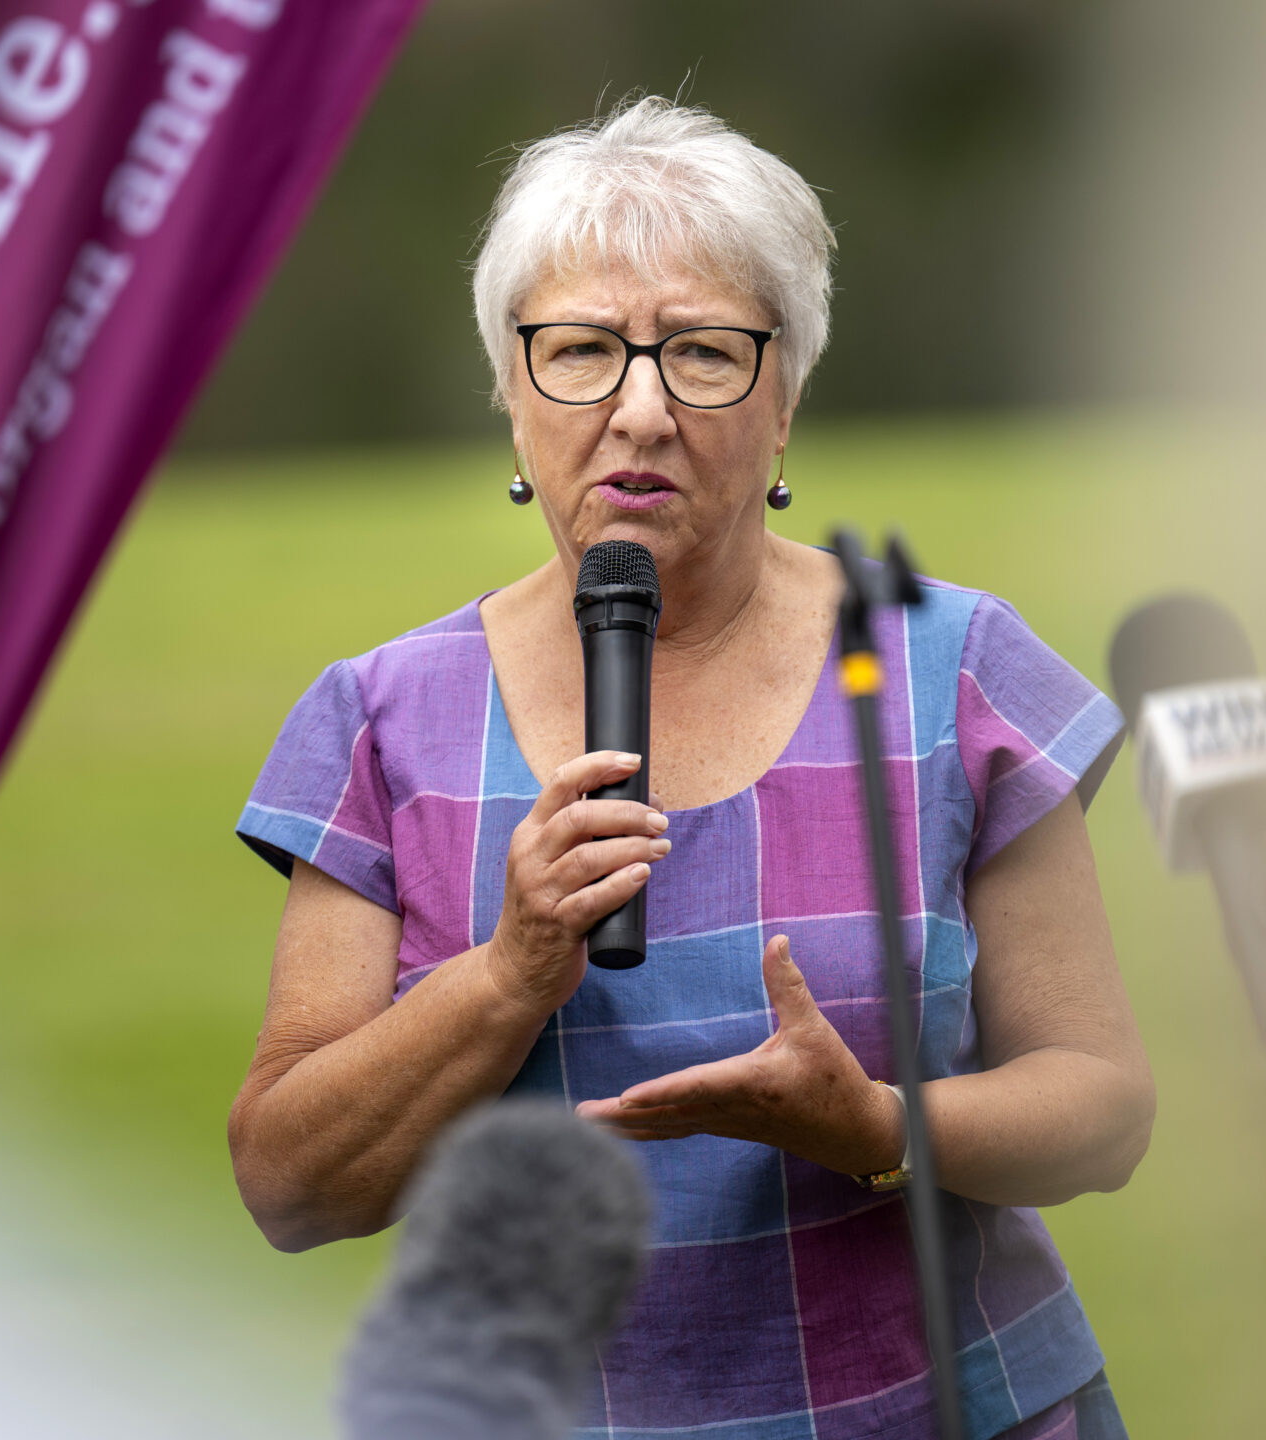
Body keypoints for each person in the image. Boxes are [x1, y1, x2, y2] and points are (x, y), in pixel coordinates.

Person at [228, 97, 1156, 1439]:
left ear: (785, 401)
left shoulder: (951, 666)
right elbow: (290, 1188)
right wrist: (508, 976)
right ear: (510, 392)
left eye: (705, 353)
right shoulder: (382, 720)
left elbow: (1103, 1109)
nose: (642, 411)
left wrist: (876, 1125)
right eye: (582, 351)